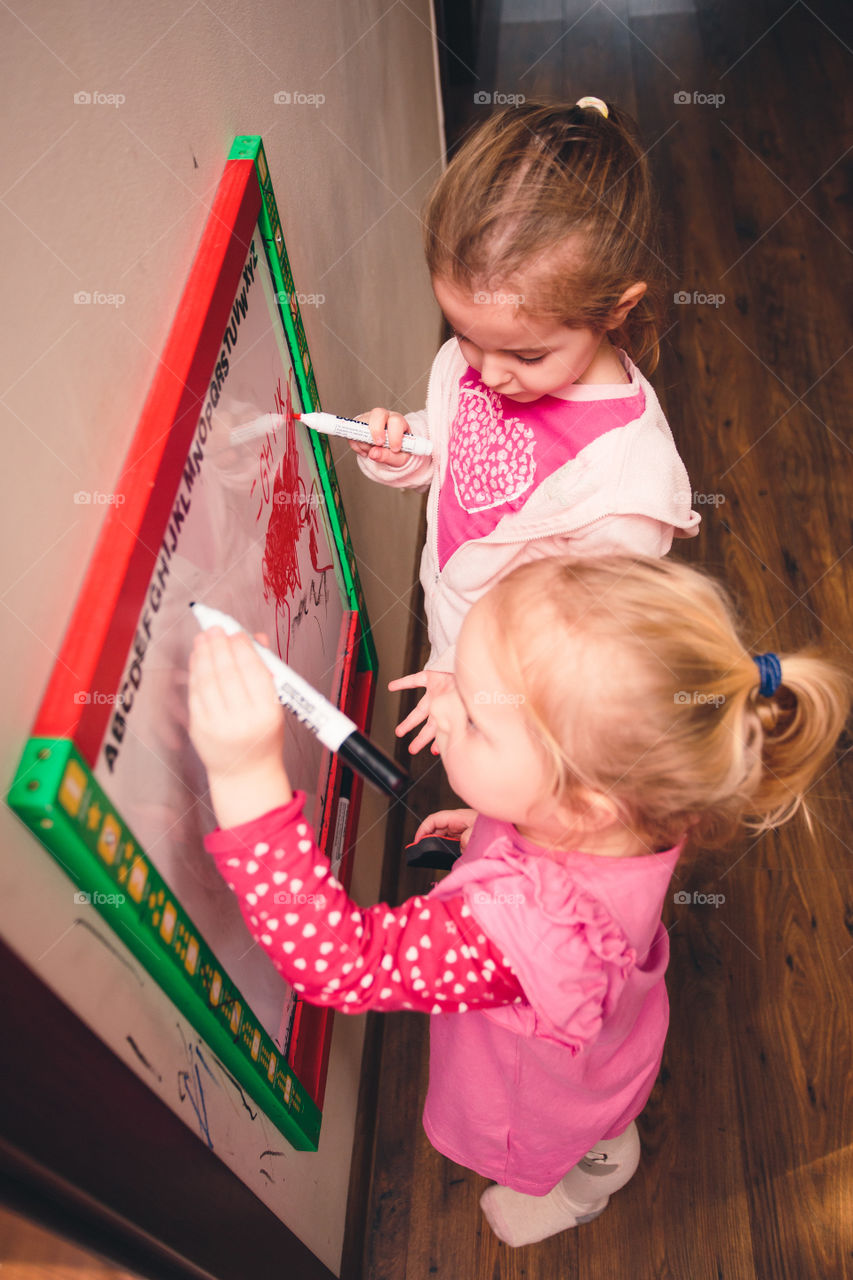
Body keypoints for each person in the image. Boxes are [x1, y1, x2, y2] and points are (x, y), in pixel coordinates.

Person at [187, 554, 849, 1248]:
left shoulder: (529, 930)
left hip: (549, 1092)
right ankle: (606, 1149)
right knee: (610, 1115)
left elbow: (342, 965)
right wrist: (499, 832)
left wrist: (245, 774)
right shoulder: (647, 803)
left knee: (601, 1144)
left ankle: (589, 1187)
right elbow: (574, 857)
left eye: (473, 716)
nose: (439, 701)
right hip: (615, 1036)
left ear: (583, 804)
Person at [350, 98, 700, 752]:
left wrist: (476, 680)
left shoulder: (625, 485)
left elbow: (583, 649)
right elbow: (458, 453)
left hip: (527, 703)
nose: (485, 373)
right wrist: (402, 447)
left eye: (526, 355)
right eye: (463, 337)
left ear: (614, 310)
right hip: (453, 639)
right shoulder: (486, 355)